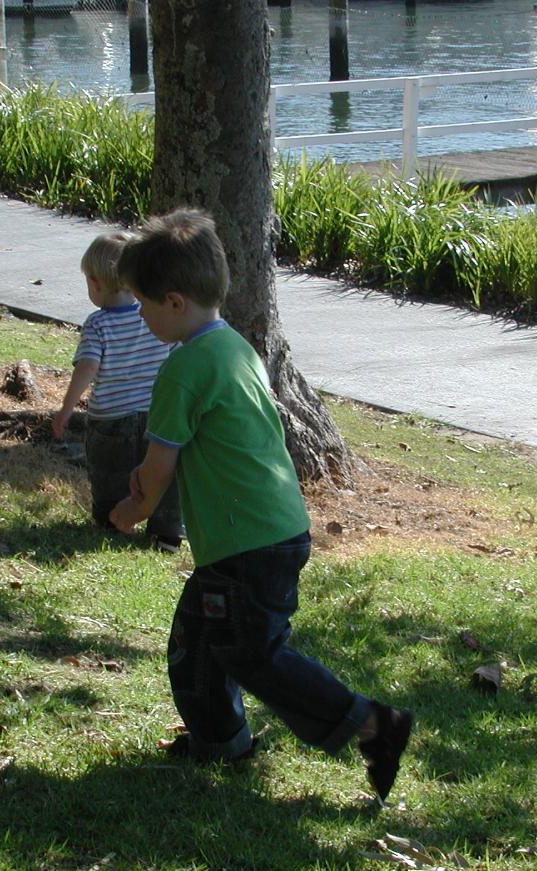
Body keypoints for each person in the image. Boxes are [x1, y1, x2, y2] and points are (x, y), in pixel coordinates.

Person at [109, 208, 413, 804]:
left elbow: (158, 467)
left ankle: (376, 725)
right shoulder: (234, 348)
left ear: (173, 302)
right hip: (265, 533)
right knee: (198, 643)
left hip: (247, 544)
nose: (139, 316)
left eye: (142, 304)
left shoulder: (184, 369)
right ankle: (221, 743)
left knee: (253, 654)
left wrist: (131, 508)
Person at [52, 231, 183, 550]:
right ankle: (166, 529)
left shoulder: (98, 324)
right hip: (156, 416)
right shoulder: (153, 316)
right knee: (162, 474)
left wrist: (66, 409)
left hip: (110, 419)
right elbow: (177, 353)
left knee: (110, 472)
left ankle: (113, 520)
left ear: (96, 283)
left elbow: (88, 367)